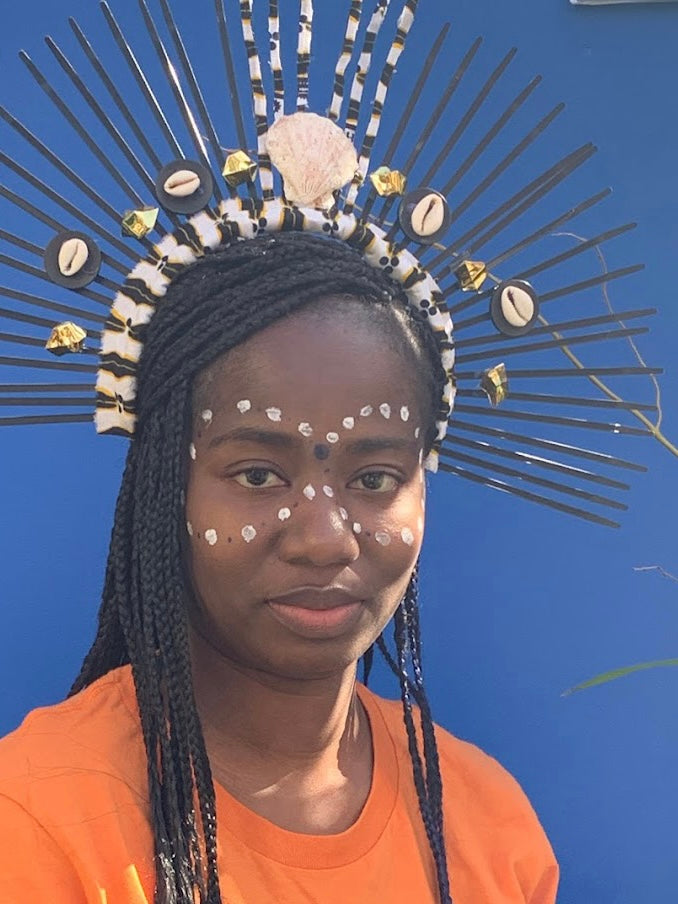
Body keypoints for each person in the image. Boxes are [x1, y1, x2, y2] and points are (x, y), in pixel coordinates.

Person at [0, 232, 558, 903]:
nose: (324, 542)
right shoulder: (35, 822)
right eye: (258, 474)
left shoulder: (490, 825)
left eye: (375, 478)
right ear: (167, 487)